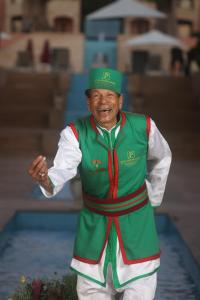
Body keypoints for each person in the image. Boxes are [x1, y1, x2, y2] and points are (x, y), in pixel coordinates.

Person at [28, 68, 172, 300]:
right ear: (88, 102)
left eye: (109, 95)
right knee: (91, 290)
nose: (103, 102)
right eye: (96, 95)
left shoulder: (144, 127)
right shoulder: (74, 133)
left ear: (120, 100)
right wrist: (45, 178)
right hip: (93, 233)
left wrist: (153, 197)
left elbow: (163, 157)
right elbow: (63, 169)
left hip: (138, 232)